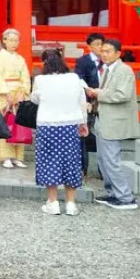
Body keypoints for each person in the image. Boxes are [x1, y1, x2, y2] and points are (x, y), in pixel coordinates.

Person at [31, 49, 89, 216]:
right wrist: (83, 123)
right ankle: (71, 203)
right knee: (70, 162)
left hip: (48, 126)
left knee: (50, 162)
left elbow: (35, 99)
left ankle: (53, 202)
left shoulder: (40, 80)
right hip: (70, 126)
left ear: (45, 64)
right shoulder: (74, 78)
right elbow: (81, 102)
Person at [85, 39, 140, 210]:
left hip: (114, 121)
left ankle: (125, 197)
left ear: (118, 53)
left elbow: (122, 95)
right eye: (103, 51)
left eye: (108, 51)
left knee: (111, 159)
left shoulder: (124, 71)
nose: (104, 54)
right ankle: (112, 192)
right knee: (103, 159)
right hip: (105, 118)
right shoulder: (109, 69)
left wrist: (98, 93)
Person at [0, 28, 32, 169]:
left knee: (19, 124)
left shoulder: (21, 59)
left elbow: (25, 77)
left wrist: (22, 92)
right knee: (7, 124)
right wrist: (6, 94)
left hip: (19, 94)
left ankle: (18, 157)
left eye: (16, 40)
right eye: (11, 40)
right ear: (4, 40)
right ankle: (6, 156)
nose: (14, 43)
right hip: (6, 95)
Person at [73, 32, 105, 177]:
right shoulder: (83, 61)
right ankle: (82, 167)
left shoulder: (106, 61)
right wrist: (87, 90)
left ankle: (103, 170)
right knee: (84, 133)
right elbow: (78, 78)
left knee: (104, 134)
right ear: (89, 46)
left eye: (101, 44)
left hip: (104, 99)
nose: (99, 47)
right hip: (88, 99)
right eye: (96, 44)